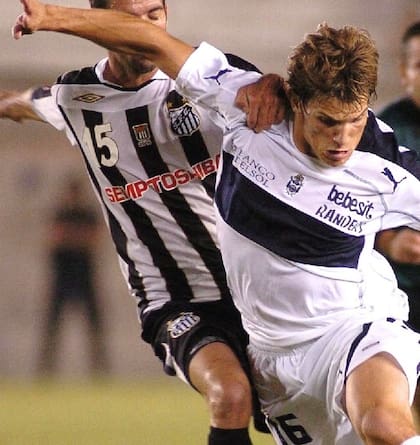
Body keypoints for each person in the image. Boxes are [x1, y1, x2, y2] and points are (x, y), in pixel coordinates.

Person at [12, 2, 420, 445]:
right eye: (327, 121)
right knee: (238, 397)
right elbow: (39, 96)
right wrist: (50, 17)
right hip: (231, 329)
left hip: (342, 322)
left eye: (354, 121)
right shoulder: (237, 105)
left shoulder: (383, 162)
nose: (342, 137)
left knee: (382, 425)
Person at [4, 1, 286, 444]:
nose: (144, 27)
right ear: (102, 22)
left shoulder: (207, 82)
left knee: (307, 415)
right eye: (129, 17)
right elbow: (19, 103)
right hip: (176, 300)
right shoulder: (75, 96)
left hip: (260, 289)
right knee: (230, 396)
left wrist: (272, 86)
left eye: (154, 14)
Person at [374, 21, 420, 428]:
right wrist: (389, 241)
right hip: (401, 304)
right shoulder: (384, 133)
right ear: (405, 72)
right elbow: (346, 212)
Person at [39, 176, 107, 375]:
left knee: (94, 325)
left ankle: (99, 369)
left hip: (85, 276)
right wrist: (75, 237)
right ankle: (46, 369)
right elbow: (54, 239)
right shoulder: (61, 214)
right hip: (62, 277)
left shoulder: (87, 214)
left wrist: (71, 237)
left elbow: (93, 240)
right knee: (52, 326)